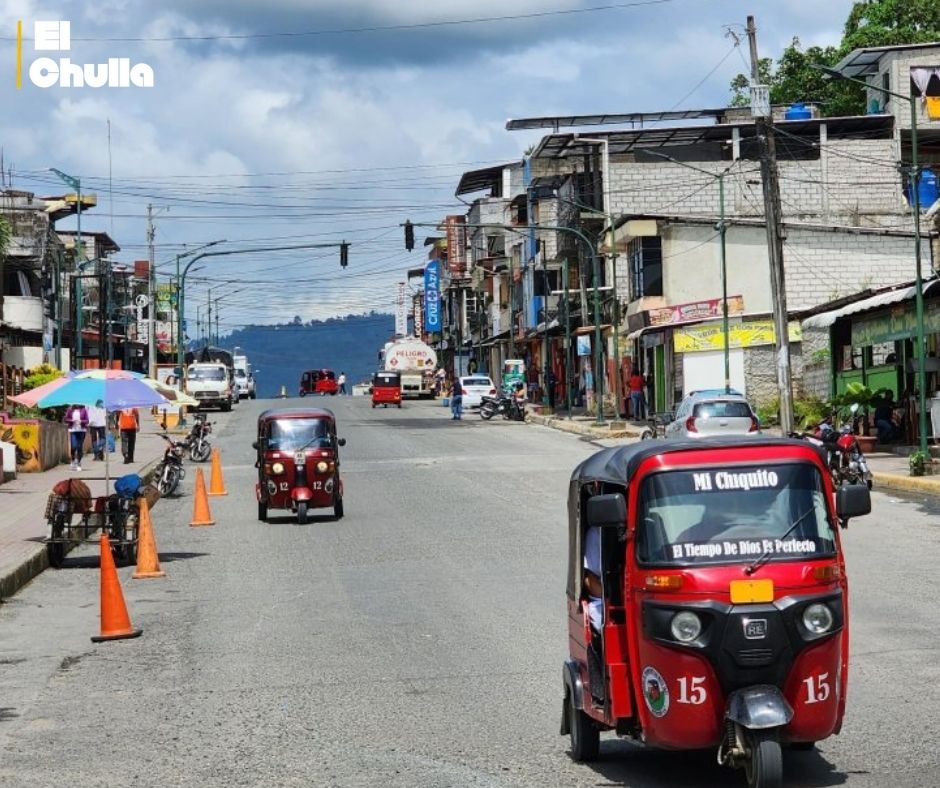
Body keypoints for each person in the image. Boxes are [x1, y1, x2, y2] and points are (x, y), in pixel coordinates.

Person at [64, 403, 89, 471]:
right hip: (73, 430)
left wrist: (81, 421)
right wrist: (72, 420)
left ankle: (79, 463)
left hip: (82, 430)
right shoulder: (70, 410)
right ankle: (72, 460)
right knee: (73, 446)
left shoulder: (84, 410)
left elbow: (87, 420)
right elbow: (66, 419)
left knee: (79, 447)